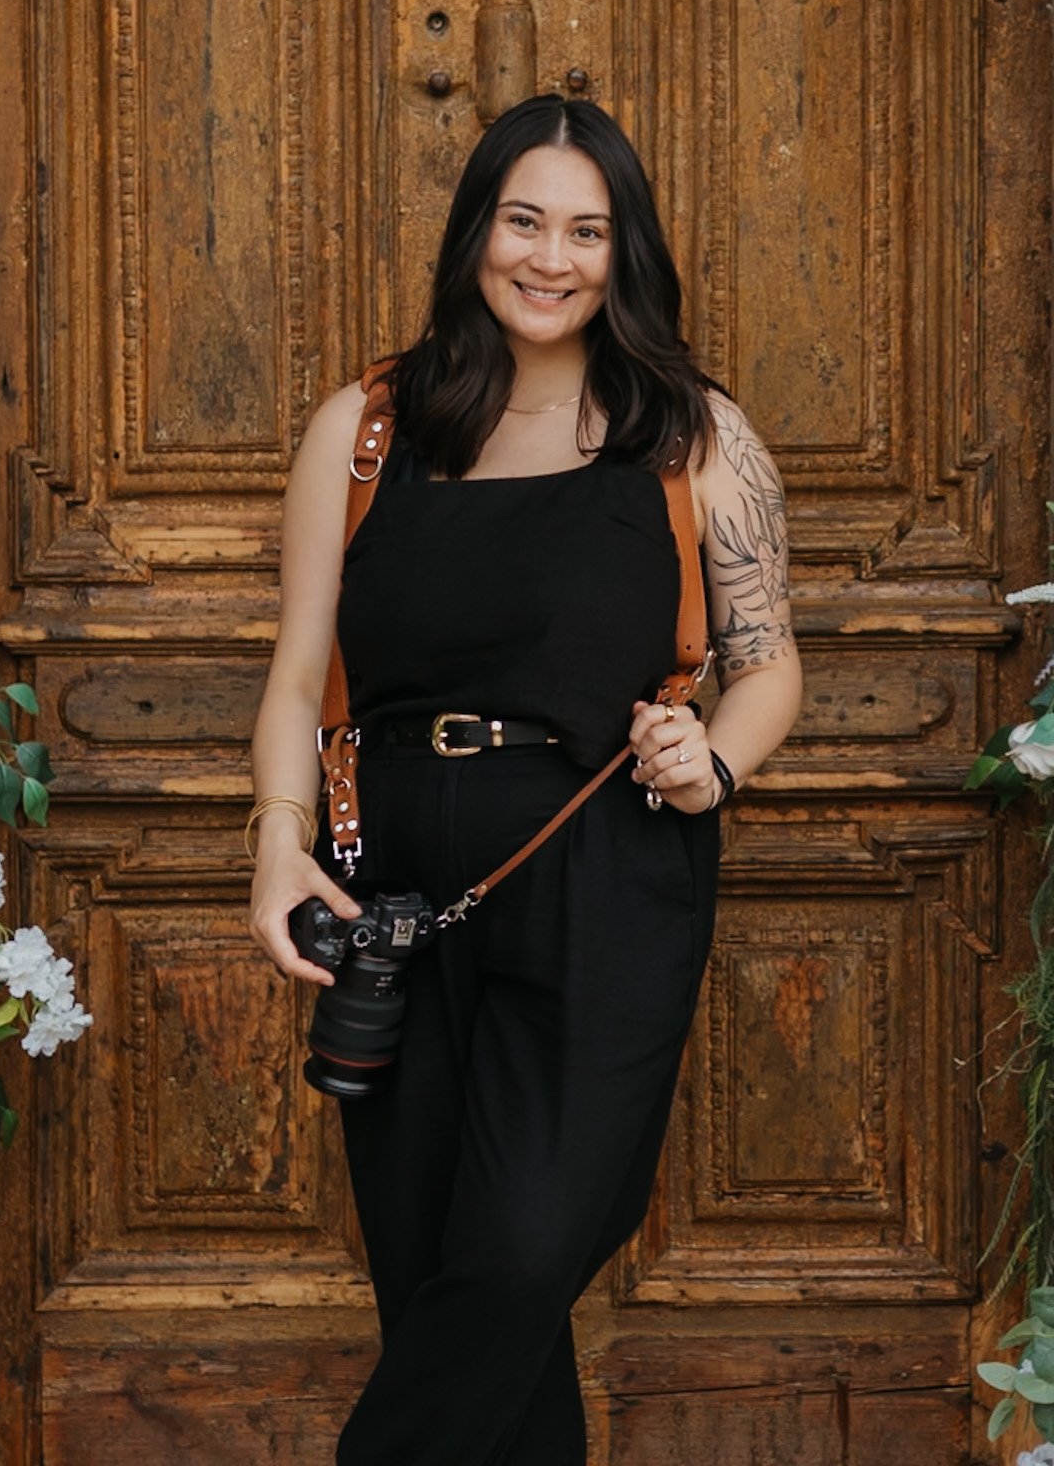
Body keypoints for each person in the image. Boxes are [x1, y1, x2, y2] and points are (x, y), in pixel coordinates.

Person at [248, 94, 803, 1465]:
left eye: (586, 231)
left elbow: (768, 665)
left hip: (606, 884)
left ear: (625, 252)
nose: (548, 258)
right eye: (522, 221)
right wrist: (277, 842)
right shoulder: (367, 428)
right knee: (446, 1284)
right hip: (394, 899)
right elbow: (296, 670)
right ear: (475, 232)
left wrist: (708, 761)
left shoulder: (692, 434)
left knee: (511, 1265)